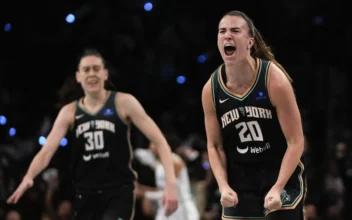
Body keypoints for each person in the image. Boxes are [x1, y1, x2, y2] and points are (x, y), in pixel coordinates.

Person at [7, 49, 179, 220]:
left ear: (105, 74)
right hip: (85, 194)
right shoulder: (69, 112)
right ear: (78, 77)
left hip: (118, 192)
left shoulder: (124, 102)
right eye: (86, 70)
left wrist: (171, 184)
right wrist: (29, 176)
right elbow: (46, 153)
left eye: (96, 69)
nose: (91, 74)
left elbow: (160, 142)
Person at [201, 10, 306, 220]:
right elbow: (214, 146)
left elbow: (295, 141)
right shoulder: (211, 90)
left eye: (235, 30)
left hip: (278, 172)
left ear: (249, 43)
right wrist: (223, 186)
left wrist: (278, 187)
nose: (227, 36)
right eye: (222, 31)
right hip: (240, 178)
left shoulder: (274, 80)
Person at [135, 134, 200, 220]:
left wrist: (145, 194)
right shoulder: (158, 163)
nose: (151, 146)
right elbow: (162, 190)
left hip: (181, 208)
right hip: (166, 208)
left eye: (153, 143)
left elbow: (172, 192)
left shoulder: (174, 161)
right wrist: (140, 188)